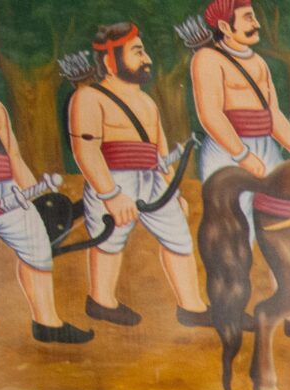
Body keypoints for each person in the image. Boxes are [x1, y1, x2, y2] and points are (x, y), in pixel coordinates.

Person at [67, 24, 210, 330]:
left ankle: (191, 306)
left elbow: (160, 152)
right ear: (110, 61)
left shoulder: (147, 102)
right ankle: (101, 301)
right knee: (109, 240)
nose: (147, 59)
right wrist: (110, 194)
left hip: (153, 179)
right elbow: (86, 150)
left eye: (144, 51)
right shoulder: (88, 97)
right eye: (138, 52)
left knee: (178, 237)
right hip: (113, 179)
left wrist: (172, 192)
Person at [0, 23, 89, 343]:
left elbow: (13, 154)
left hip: (8, 191)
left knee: (36, 245)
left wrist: (35, 196)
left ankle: (47, 323)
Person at [186, 0, 290, 184]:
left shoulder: (259, 62)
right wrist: (242, 155)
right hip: (227, 151)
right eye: (249, 18)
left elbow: (273, 114)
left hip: (266, 148)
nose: (257, 24)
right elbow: (210, 114)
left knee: (282, 199)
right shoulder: (207, 58)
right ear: (225, 27)